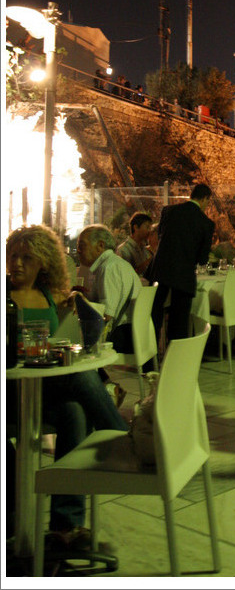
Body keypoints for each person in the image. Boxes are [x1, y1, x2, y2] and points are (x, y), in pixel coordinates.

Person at [6, 225, 127, 548]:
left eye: (26, 257)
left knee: (74, 410)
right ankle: (121, 439)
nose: (16, 263)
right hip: (11, 391)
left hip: (42, 389)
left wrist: (73, 303)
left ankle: (65, 527)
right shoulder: (5, 297)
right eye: (13, 256)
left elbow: (62, 332)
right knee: (76, 378)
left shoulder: (49, 295)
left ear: (43, 262)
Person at [149, 183, 215, 344]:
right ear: (206, 199)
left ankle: (150, 355)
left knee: (153, 313)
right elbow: (202, 259)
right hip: (183, 275)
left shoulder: (169, 211)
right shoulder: (206, 223)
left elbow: (160, 235)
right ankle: (174, 358)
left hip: (160, 269)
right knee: (179, 321)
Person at [77, 224, 142, 354]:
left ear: (100, 245)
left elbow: (106, 315)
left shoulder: (108, 268)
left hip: (121, 337)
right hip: (136, 331)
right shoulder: (118, 263)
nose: (77, 250)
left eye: (82, 245)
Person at [116, 212, 154, 278]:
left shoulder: (145, 250)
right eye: (147, 227)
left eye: (150, 228)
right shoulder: (124, 250)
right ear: (136, 227)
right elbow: (124, 275)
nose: (149, 231)